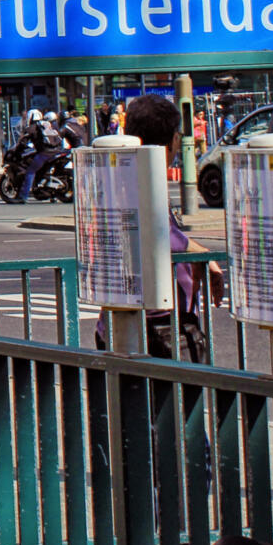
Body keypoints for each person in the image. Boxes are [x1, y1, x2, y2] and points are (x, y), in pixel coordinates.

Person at [97, 94, 223, 359]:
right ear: (172, 140)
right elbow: (159, 234)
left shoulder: (120, 174)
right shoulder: (142, 179)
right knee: (181, 398)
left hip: (119, 318)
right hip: (162, 322)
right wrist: (201, 254)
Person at [14, 111, 63, 203]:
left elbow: (22, 142)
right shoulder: (48, 125)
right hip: (57, 151)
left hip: (44, 153)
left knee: (30, 172)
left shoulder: (31, 128)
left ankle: (23, 196)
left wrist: (17, 151)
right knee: (43, 170)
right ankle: (50, 192)